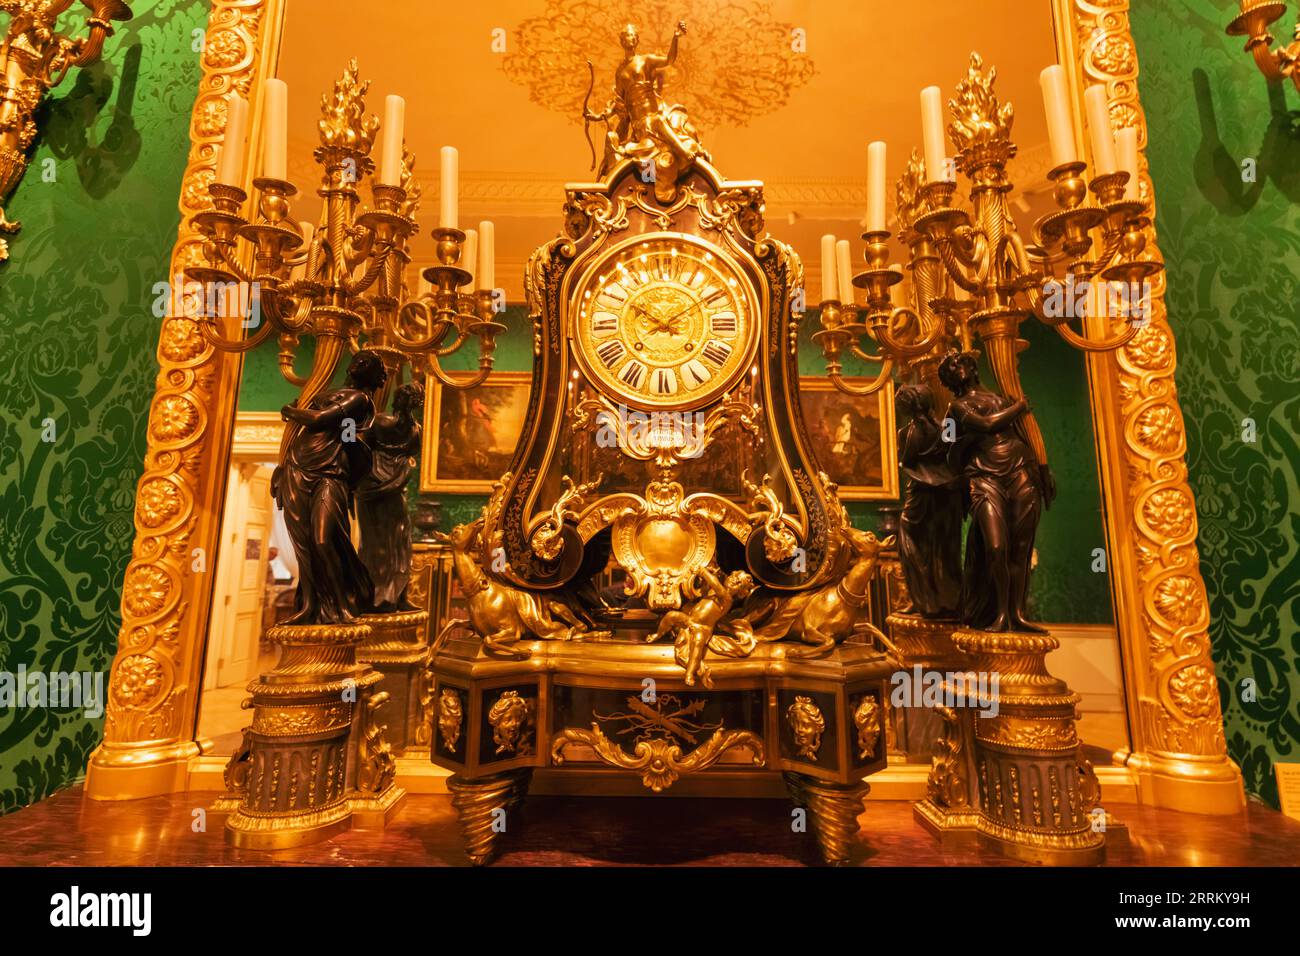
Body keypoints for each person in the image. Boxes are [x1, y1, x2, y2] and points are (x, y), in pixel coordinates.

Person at [937, 351, 1053, 633]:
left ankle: (1017, 613)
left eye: (959, 362)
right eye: (950, 367)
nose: (956, 367)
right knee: (996, 546)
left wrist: (1044, 471)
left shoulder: (1004, 394)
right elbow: (986, 425)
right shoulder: (956, 408)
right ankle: (999, 613)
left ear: (973, 368)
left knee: (1021, 548)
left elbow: (1027, 432)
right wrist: (1019, 407)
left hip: (1020, 468)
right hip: (985, 475)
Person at [272, 350, 386, 625]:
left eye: (367, 363)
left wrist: (289, 411)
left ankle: (342, 604)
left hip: (330, 473)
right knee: (304, 546)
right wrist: (281, 468)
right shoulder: (327, 392)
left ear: (371, 375)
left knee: (324, 540)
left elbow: (319, 420)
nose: (359, 362)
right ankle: (309, 606)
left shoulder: (360, 399)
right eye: (360, 358)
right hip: (299, 466)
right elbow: (331, 429)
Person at [895, 384, 963, 619]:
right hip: (948, 492)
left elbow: (907, 462)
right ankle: (945, 601)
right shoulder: (947, 426)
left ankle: (926, 600)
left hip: (921, 494)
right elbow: (955, 456)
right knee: (945, 547)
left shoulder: (906, 433)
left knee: (914, 544)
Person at [357, 382, 425, 613]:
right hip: (381, 488)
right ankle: (380, 597)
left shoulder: (378, 422)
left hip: (378, 486)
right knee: (391, 543)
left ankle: (389, 596)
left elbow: (356, 445)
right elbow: (356, 443)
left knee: (392, 542)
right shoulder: (413, 430)